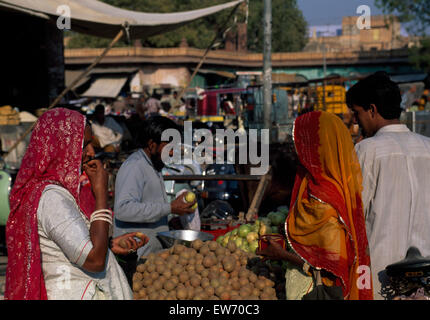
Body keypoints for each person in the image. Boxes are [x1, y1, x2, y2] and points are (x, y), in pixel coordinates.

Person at [4, 108, 148, 300]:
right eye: (84, 145)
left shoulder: (47, 191)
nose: (91, 153)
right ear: (61, 147)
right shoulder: (52, 198)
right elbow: (94, 260)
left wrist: (110, 245)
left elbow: (67, 244)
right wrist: (102, 195)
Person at [257, 111, 373, 300]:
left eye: (301, 140)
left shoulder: (325, 199)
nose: (294, 147)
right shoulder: (316, 184)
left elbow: (332, 268)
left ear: (317, 146)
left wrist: (282, 255)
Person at [347, 71, 430, 300]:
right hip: (426, 275)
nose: (355, 121)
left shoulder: (367, 150)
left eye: (357, 113)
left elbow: (354, 212)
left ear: (372, 109)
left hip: (381, 276)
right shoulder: (427, 147)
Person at [113, 116, 196, 259]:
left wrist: (169, 219)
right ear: (152, 144)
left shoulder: (153, 166)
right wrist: (169, 208)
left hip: (150, 256)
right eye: (169, 147)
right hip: (136, 258)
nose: (172, 153)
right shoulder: (135, 166)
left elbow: (149, 206)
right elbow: (123, 209)